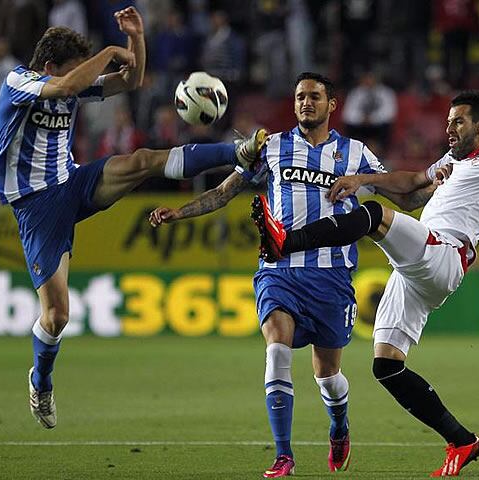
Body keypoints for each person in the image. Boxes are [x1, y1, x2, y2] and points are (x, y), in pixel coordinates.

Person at [251, 91, 479, 476]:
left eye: (458, 121)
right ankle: (461, 440)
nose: (449, 128)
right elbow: (409, 185)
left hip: (443, 252)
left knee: (373, 215)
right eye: (448, 121)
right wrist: (361, 178)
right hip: (418, 268)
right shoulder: (451, 161)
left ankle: (287, 241)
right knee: (386, 366)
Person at [0, 9, 266, 430]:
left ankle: (238, 152)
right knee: (57, 315)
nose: (75, 77)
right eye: (68, 68)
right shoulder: (19, 83)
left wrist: (136, 40)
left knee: (141, 162)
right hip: (35, 205)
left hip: (72, 182)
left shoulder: (68, 84)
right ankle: (41, 379)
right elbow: (68, 83)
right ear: (48, 66)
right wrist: (110, 50)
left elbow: (130, 81)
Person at [149, 72, 431, 478]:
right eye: (300, 96)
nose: (305, 103)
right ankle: (284, 455)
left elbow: (405, 196)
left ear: (332, 104)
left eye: (314, 96)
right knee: (276, 349)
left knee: (328, 375)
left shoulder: (356, 154)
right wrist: (180, 212)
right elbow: (226, 190)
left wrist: (447, 181)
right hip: (278, 270)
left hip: (331, 276)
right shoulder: (273, 147)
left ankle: (339, 425)